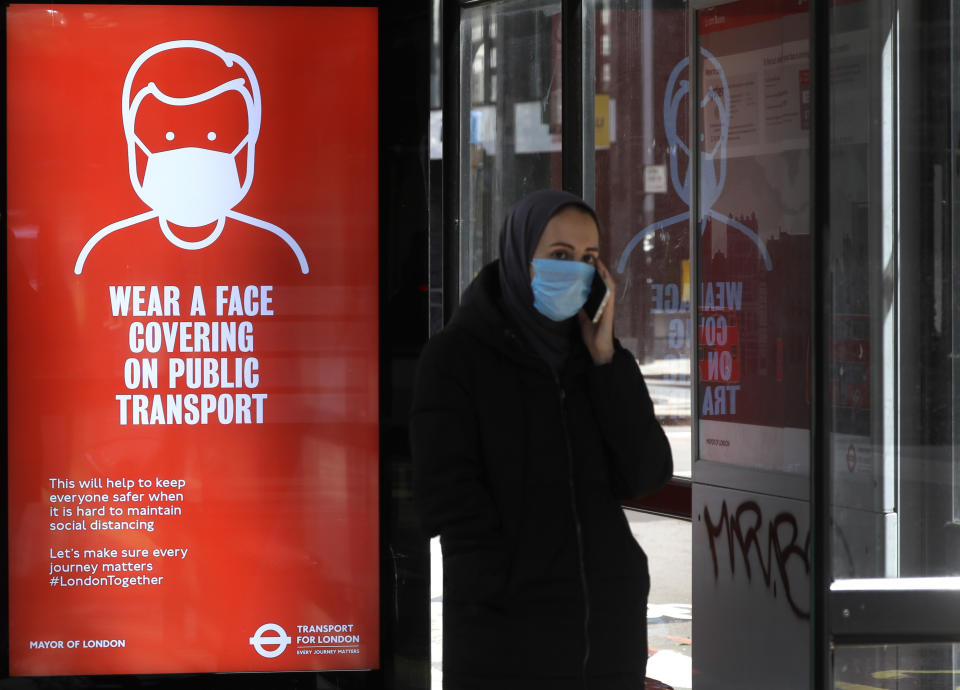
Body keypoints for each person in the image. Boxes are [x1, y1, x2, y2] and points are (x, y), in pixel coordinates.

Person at [410, 190, 673, 689]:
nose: (576, 271)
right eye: (559, 256)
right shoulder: (456, 358)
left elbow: (645, 473)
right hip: (508, 646)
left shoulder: (596, 359)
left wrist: (605, 362)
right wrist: (505, 584)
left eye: (589, 259)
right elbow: (444, 497)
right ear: (518, 256)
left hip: (609, 639)